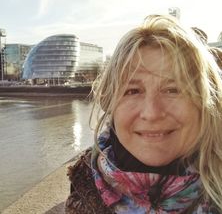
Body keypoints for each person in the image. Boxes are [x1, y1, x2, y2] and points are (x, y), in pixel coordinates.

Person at [65, 15, 222, 213]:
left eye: (172, 90)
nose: (152, 113)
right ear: (112, 106)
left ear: (206, 103)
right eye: (133, 91)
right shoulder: (83, 183)